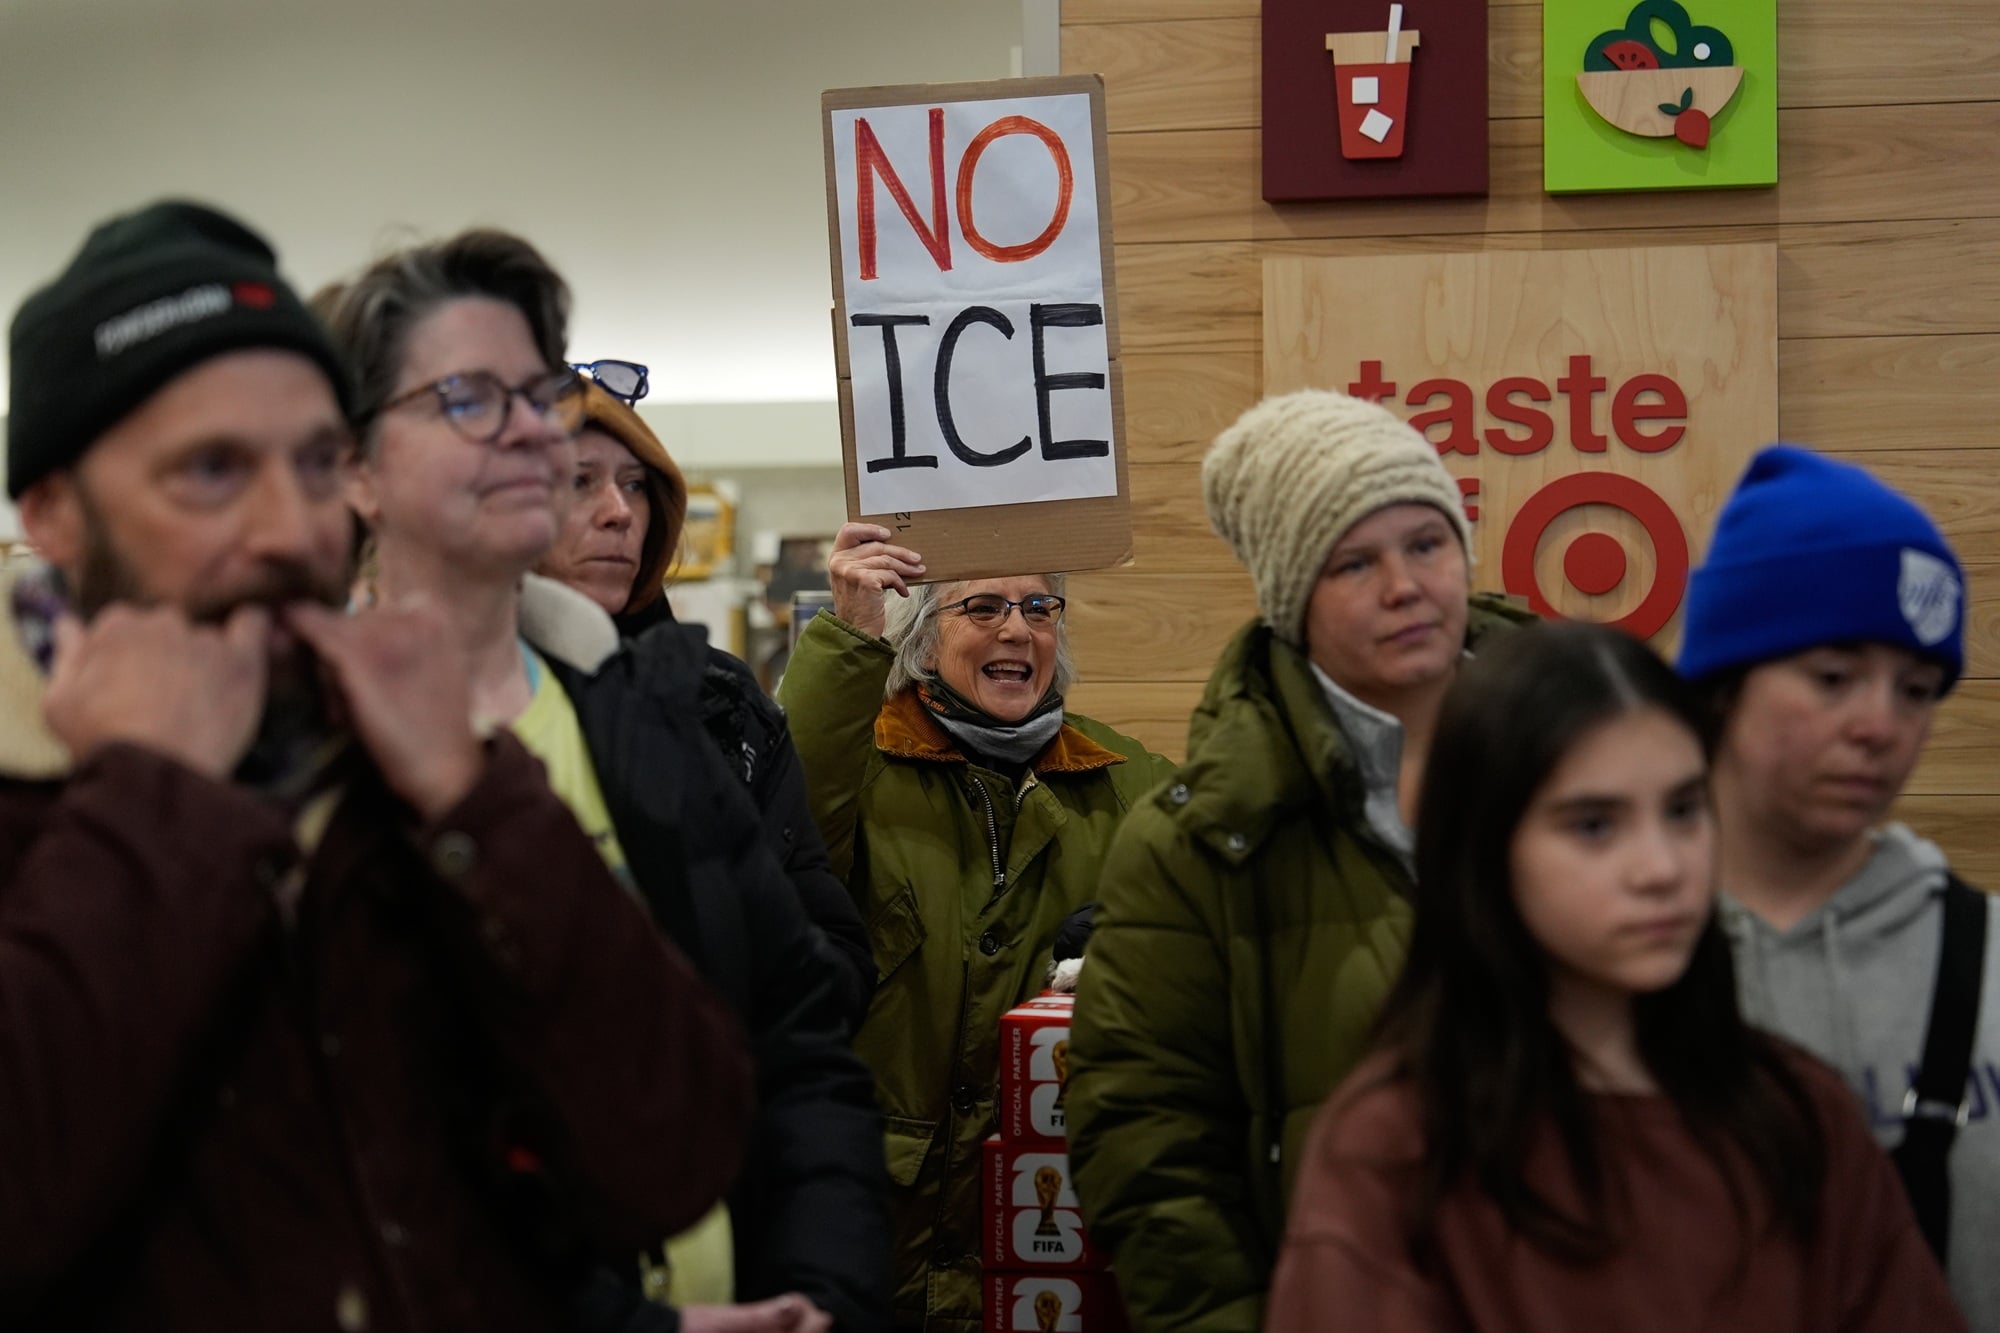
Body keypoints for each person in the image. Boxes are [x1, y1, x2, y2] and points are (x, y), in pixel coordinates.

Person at [0, 200, 752, 1330]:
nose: (286, 527)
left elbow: (670, 1148)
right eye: (209, 470)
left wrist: (475, 794)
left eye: (312, 464)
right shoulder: (30, 790)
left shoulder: (396, 769)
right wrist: (156, 801)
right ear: (53, 511)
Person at [319, 231, 889, 1333]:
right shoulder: (291, 757)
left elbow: (796, 1044)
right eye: (471, 398)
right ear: (352, 464)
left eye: (537, 392)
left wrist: (826, 1292)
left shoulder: (649, 723)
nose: (535, 428)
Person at [1264, 620, 1965, 1332]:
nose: (1662, 868)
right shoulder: (1396, 1147)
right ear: (1485, 845)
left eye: (1685, 810)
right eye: (1595, 825)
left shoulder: (1800, 1114)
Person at [1064, 388, 1535, 1331]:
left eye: (1427, 543)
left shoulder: (1586, 758)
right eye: (1354, 562)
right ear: (1290, 599)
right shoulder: (1197, 840)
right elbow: (1147, 1142)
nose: (1406, 586)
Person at [776, 522, 1176, 1332]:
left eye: (1038, 605)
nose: (1017, 628)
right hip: (877, 1239)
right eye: (983, 606)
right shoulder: (863, 767)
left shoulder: (1127, 782)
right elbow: (786, 824)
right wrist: (848, 634)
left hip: (1049, 1242)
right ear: (923, 641)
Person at [1677, 445, 1998, 1330]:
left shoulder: (1993, 962)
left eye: (1917, 690)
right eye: (1832, 679)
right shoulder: (1601, 958)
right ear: (1725, 683)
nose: (1880, 726)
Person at [532, 378, 873, 1027]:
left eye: (635, 484)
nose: (619, 511)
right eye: (580, 481)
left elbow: (833, 955)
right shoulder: (460, 692)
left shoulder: (723, 703)